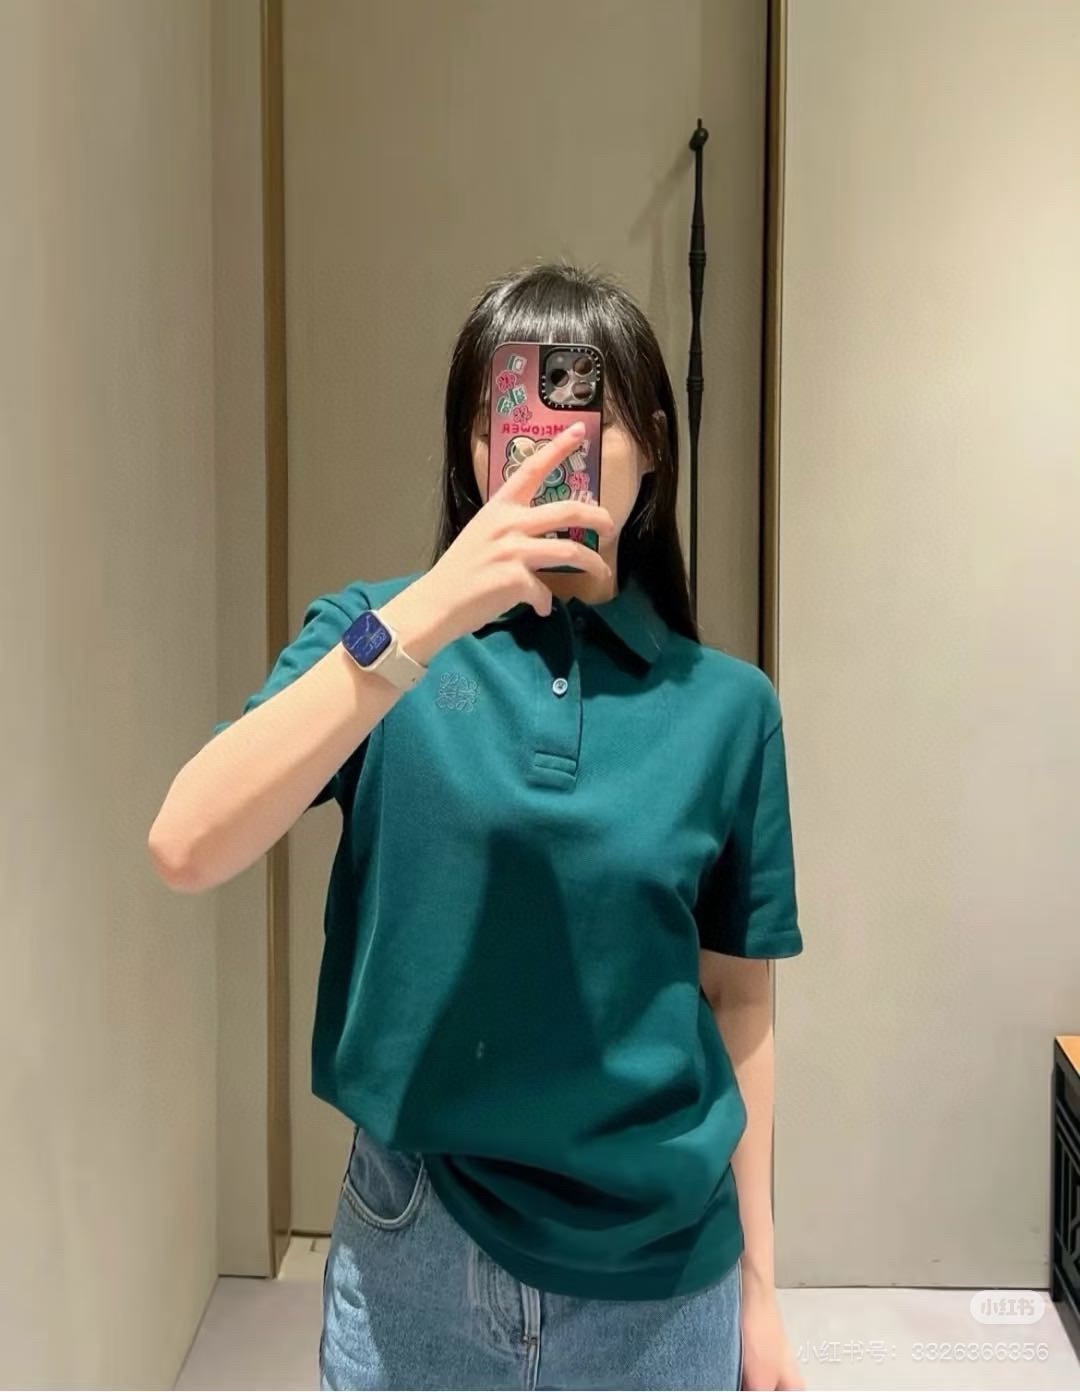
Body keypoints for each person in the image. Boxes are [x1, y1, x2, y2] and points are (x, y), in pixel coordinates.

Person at [149, 263, 804, 1391]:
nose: (550, 441)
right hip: (415, 1242)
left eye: (588, 407)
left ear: (652, 444)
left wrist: (760, 1287)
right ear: (471, 446)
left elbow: (739, 1005)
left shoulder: (729, 710)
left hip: (661, 1278)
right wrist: (429, 612)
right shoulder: (374, 640)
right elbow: (187, 841)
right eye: (512, 410)